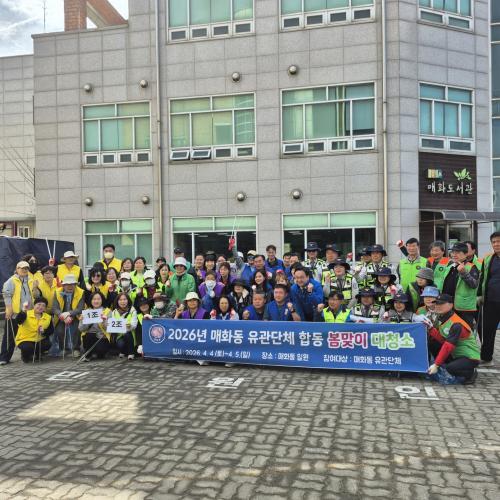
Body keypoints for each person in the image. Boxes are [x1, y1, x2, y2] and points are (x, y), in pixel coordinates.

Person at [426, 293, 480, 384]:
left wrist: (436, 364)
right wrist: (430, 329)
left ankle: (471, 373)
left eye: (442, 303)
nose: (438, 306)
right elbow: (443, 340)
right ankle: (445, 365)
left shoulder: (456, 324)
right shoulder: (443, 317)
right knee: (433, 343)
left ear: (451, 305)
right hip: (455, 353)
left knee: (451, 368)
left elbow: (448, 346)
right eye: (437, 303)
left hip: (469, 357)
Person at [0, 261, 34, 365]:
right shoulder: (11, 280)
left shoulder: (31, 279)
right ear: (17, 269)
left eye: (26, 268)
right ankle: (4, 357)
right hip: (15, 313)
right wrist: (9, 308)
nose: (24, 270)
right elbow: (7, 294)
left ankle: (26, 355)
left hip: (28, 313)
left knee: (27, 334)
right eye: (22, 268)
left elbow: (34, 294)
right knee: (9, 335)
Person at [440, 242, 479, 327]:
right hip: (448, 305)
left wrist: (464, 272)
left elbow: (474, 285)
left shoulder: (471, 267)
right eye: (453, 252)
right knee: (449, 330)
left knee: (465, 330)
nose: (454, 254)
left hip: (463, 308)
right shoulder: (449, 267)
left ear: (465, 254)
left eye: (457, 252)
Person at [477, 231, 500, 365]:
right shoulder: (488, 259)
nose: (496, 244)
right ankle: (486, 357)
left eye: (499, 241)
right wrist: (479, 294)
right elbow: (482, 278)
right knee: (487, 330)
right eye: (494, 242)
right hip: (490, 300)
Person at [53, 274, 85, 357]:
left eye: (72, 284)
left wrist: (69, 313)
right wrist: (63, 316)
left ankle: (76, 349)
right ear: (63, 285)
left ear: (75, 285)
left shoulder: (81, 292)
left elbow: (80, 308)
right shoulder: (57, 292)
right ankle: (63, 349)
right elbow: (55, 308)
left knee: (78, 328)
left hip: (76, 316)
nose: (70, 286)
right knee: (60, 330)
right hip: (61, 317)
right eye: (67, 284)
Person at [14, 297, 53, 363]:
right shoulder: (26, 313)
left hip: (39, 339)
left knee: (48, 344)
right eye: (39, 304)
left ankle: (37, 354)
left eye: (43, 305)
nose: (40, 307)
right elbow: (18, 321)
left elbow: (51, 330)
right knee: (28, 347)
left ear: (45, 308)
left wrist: (43, 331)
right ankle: (25, 356)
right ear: (34, 305)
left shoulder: (48, 317)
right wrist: (23, 311)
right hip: (24, 339)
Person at [79, 292, 111, 362]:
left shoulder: (107, 311)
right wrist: (83, 321)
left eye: (98, 299)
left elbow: (110, 329)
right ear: (91, 300)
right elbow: (81, 329)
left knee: (100, 351)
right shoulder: (86, 312)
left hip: (102, 337)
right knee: (90, 335)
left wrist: (104, 321)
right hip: (88, 338)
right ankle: (88, 356)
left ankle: (98, 353)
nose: (96, 301)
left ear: (102, 300)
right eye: (94, 299)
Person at [108, 292, 138, 361]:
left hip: (130, 334)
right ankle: (123, 351)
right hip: (119, 335)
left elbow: (134, 325)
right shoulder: (114, 312)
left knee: (127, 334)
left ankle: (131, 353)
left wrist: (129, 326)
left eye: (124, 299)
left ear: (128, 300)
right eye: (120, 300)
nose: (122, 302)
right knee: (120, 344)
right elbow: (113, 326)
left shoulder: (133, 311)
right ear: (117, 301)